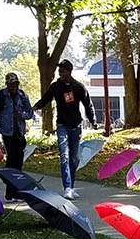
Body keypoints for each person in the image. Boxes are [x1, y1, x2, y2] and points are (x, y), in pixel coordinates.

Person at [33, 59, 96, 198]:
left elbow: (88, 105)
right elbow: (45, 99)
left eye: (62, 70)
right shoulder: (56, 87)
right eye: (59, 70)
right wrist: (35, 107)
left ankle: (72, 187)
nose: (60, 72)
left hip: (76, 126)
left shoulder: (78, 88)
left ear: (69, 71)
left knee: (73, 158)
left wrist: (93, 121)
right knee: (64, 157)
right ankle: (67, 187)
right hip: (62, 125)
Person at [0, 72, 34, 170]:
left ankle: (18, 182)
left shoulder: (23, 95)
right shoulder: (0, 96)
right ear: (7, 84)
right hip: (7, 133)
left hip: (20, 132)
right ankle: (10, 183)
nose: (14, 87)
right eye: (11, 84)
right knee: (11, 158)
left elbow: (30, 113)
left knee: (19, 159)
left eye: (16, 84)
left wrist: (22, 115)